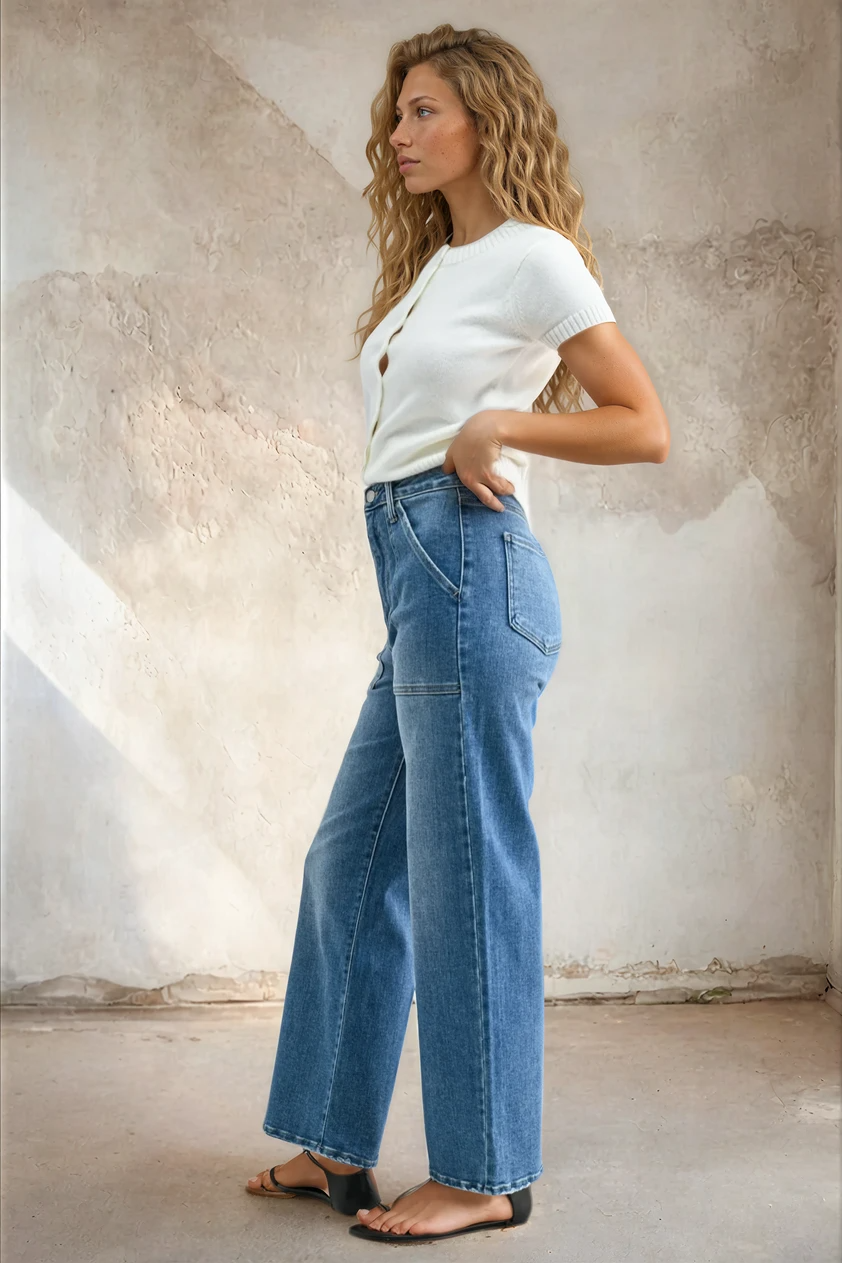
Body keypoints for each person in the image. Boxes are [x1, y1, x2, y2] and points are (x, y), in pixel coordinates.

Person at [246, 21, 669, 1246]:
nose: (398, 131)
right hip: (419, 584)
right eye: (397, 112)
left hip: (471, 574)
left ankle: (484, 1171)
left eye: (423, 109)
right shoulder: (439, 266)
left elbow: (641, 423)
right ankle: (332, 1140)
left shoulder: (533, 256)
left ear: (487, 118)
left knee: (466, 878)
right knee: (352, 862)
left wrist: (501, 426)